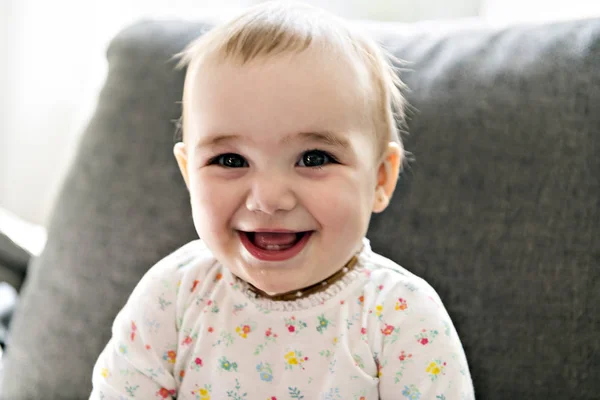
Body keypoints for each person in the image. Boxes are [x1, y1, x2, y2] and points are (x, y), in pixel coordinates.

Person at [90, 2, 474, 399]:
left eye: (314, 159)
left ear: (380, 178)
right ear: (190, 175)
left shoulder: (401, 318)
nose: (268, 199)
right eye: (230, 160)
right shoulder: (172, 297)